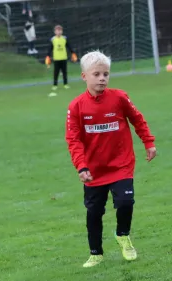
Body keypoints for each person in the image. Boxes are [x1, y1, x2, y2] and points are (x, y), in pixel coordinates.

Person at [65, 50, 156, 268]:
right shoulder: (76, 106)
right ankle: (95, 252)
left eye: (105, 74)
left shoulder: (119, 98)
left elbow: (138, 119)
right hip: (94, 170)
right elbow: (73, 140)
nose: (102, 78)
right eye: (96, 74)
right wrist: (81, 166)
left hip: (121, 164)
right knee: (94, 211)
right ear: (84, 76)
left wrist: (149, 142)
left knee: (125, 202)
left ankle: (123, 235)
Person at [46, 25, 77, 90]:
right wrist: (48, 56)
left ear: (62, 31)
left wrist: (73, 53)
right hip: (56, 59)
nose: (59, 32)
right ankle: (55, 85)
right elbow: (50, 48)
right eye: (57, 30)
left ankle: (65, 84)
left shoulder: (64, 38)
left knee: (64, 72)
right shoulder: (53, 39)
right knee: (56, 73)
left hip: (64, 58)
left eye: (60, 30)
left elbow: (69, 46)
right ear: (55, 32)